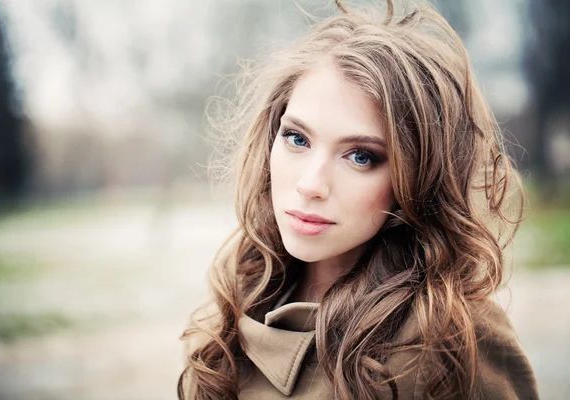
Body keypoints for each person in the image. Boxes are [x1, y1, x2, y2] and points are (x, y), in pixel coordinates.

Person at [177, 0, 540, 398]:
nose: (311, 184)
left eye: (361, 157)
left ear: (416, 178)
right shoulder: (231, 310)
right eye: (297, 138)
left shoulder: (451, 339)